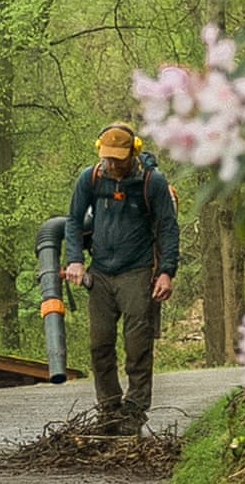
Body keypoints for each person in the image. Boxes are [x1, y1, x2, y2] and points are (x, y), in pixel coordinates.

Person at [64, 122, 180, 431]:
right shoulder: (90, 178)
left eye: (118, 158)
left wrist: (166, 272)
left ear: (133, 153)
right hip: (100, 272)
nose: (111, 164)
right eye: (107, 157)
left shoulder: (152, 182)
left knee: (137, 347)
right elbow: (73, 221)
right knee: (99, 345)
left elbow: (168, 228)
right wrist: (75, 260)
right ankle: (109, 409)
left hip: (137, 272)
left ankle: (134, 412)